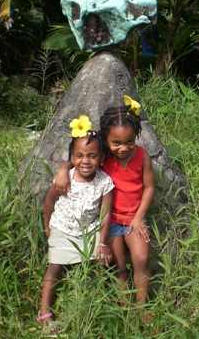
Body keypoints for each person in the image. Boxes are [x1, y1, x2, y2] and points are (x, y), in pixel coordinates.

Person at [55, 96, 155, 325]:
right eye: (116, 143)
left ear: (136, 137)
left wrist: (139, 217)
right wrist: (62, 169)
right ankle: (126, 307)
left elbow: (149, 187)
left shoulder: (142, 156)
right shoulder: (104, 156)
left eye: (129, 141)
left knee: (141, 257)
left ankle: (142, 306)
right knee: (118, 264)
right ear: (106, 142)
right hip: (108, 220)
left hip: (133, 218)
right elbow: (79, 159)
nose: (123, 148)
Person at [37, 115, 114, 335]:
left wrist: (102, 242)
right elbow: (49, 202)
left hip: (88, 232)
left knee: (95, 268)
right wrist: (47, 226)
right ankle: (44, 315)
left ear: (102, 157)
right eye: (79, 156)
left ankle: (87, 306)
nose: (85, 161)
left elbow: (105, 215)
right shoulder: (66, 177)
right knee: (54, 268)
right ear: (72, 157)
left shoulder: (105, 182)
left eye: (92, 156)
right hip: (61, 229)